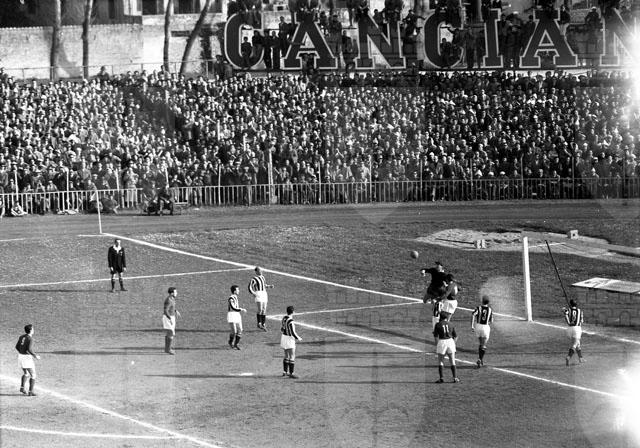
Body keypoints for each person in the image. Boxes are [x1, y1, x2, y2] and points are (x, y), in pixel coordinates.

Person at [433, 313, 459, 383]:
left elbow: (436, 337)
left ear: (440, 317)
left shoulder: (437, 324)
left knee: (440, 361)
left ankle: (441, 378)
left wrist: (437, 345)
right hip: (450, 341)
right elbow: (456, 336)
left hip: (442, 341)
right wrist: (453, 344)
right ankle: (455, 378)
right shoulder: (451, 324)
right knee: (452, 361)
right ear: (446, 318)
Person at [15, 324, 41, 396]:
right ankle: (30, 392)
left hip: (20, 356)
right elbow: (29, 349)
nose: (33, 330)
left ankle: (22, 388)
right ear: (30, 330)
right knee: (33, 375)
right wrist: (35, 356)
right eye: (33, 328)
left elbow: (17, 347)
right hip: (26, 358)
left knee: (26, 373)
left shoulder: (21, 336)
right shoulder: (30, 339)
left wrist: (22, 352)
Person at [249, 266, 274, 331]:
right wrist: (253, 293)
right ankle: (259, 323)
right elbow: (249, 287)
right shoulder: (254, 279)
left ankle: (263, 324)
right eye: (259, 270)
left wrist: (269, 286)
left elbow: (264, 285)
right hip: (259, 293)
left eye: (261, 270)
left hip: (264, 293)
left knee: (264, 309)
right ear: (256, 271)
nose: (261, 271)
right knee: (260, 309)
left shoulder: (263, 277)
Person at [471, 295, 493, 368]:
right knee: (483, 345)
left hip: (478, 326)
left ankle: (481, 359)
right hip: (485, 327)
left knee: (481, 343)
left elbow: (473, 315)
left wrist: (472, 325)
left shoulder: (478, 308)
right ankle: (480, 359)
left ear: (482, 301)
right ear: (488, 302)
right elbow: (491, 321)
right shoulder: (490, 309)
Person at [280, 305, 302, 378]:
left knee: (286, 355)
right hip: (289, 339)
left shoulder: (284, 318)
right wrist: (298, 338)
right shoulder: (291, 321)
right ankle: (292, 373)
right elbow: (292, 332)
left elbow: (282, 328)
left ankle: (284, 372)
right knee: (292, 356)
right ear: (293, 312)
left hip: (283, 337)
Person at [564, 299, 584, 366]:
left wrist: (565, 311)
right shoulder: (580, 311)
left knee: (578, 343)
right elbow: (582, 321)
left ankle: (581, 358)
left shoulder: (568, 310)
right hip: (577, 329)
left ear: (570, 304)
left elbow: (566, 317)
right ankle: (568, 357)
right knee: (574, 344)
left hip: (569, 329)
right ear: (576, 304)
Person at [227, 285, 247, 350]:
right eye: (237, 289)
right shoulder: (231, 298)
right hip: (231, 315)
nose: (239, 291)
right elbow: (233, 308)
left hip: (237, 315)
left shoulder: (236, 297)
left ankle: (236, 344)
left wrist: (239, 310)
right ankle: (230, 342)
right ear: (234, 291)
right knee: (234, 331)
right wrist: (241, 309)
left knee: (240, 330)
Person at [163, 287, 181, 354]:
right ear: (172, 293)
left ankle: (167, 349)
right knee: (171, 333)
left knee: (169, 333)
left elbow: (172, 307)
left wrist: (175, 311)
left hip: (171, 317)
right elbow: (166, 310)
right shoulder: (168, 300)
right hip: (168, 317)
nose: (177, 293)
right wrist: (169, 319)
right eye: (175, 292)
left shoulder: (172, 299)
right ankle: (168, 349)